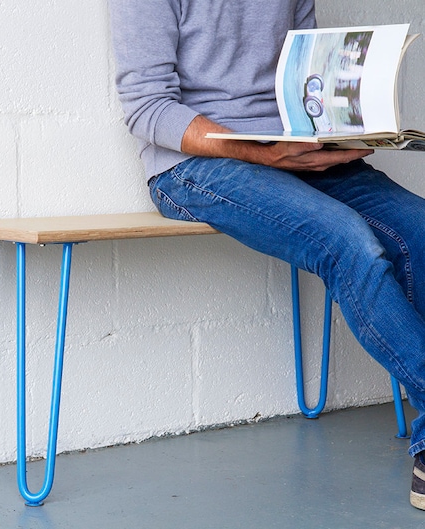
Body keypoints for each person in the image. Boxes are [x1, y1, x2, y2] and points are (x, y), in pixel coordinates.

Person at [109, 0, 425, 510]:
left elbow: (303, 81)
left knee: (419, 228)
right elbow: (146, 107)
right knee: (348, 242)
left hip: (291, 153)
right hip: (193, 166)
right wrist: (258, 152)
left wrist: (339, 129)